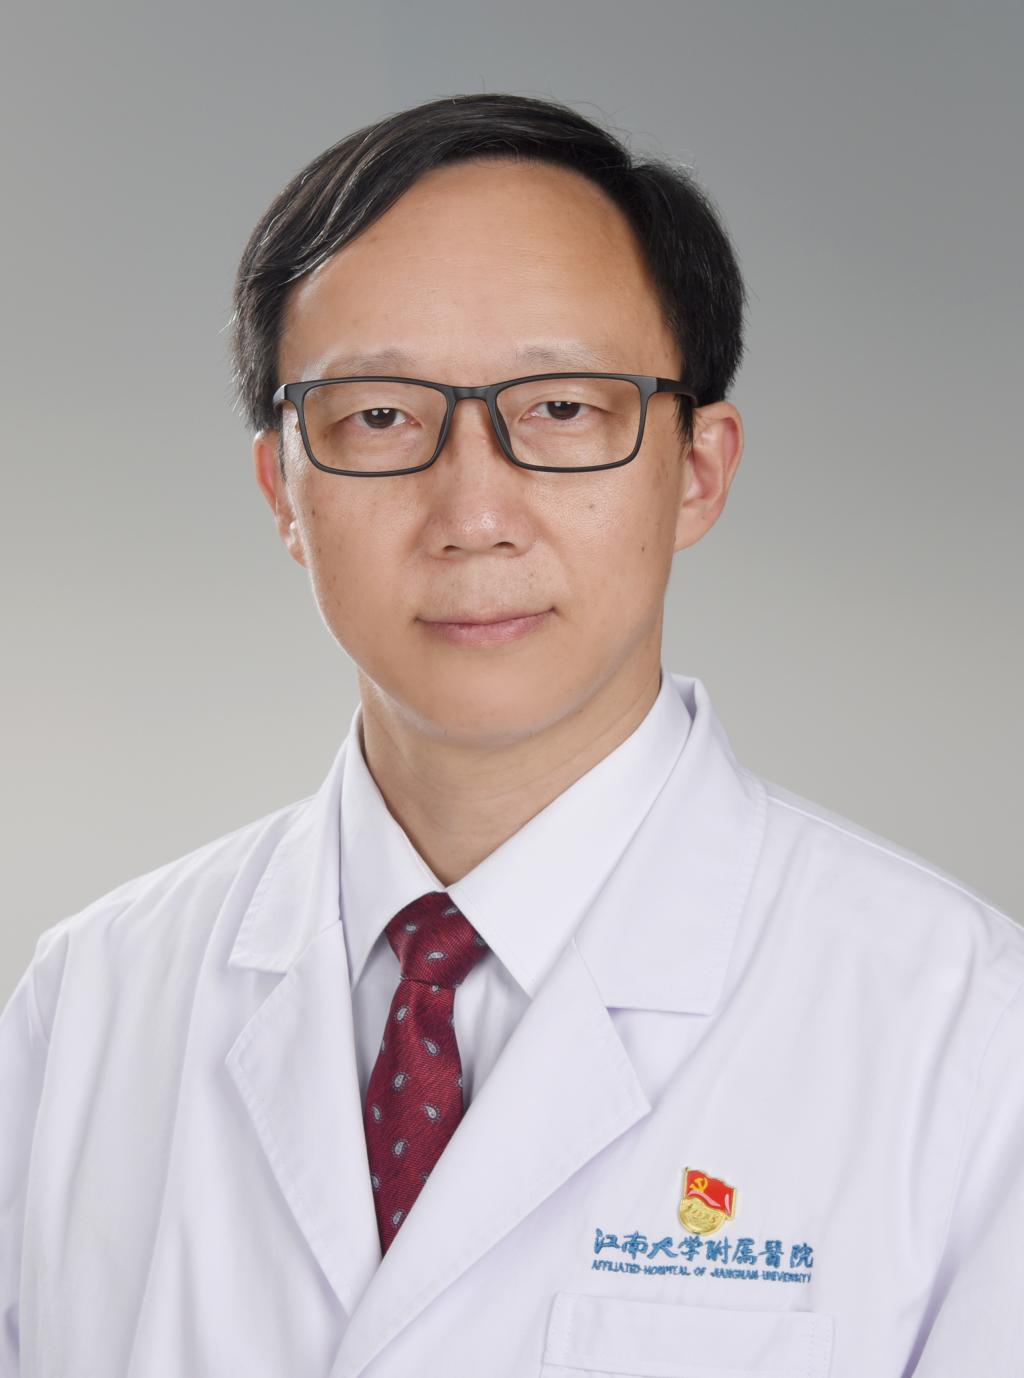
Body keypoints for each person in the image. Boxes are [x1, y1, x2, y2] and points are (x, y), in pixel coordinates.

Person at [1, 91, 1020, 1378]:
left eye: (562, 410)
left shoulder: (962, 1032)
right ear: (282, 490)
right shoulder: (91, 1004)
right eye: (379, 416)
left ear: (697, 468)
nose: (473, 513)